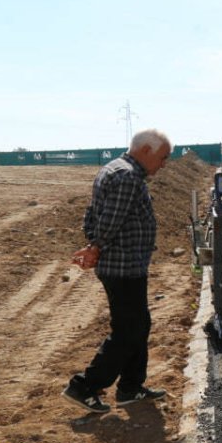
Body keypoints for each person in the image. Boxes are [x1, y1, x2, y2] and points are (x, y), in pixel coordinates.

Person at [63, 129, 173, 414]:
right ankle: (85, 386)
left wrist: (93, 244)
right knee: (128, 330)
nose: (164, 165)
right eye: (163, 158)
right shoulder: (127, 176)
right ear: (146, 151)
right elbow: (111, 219)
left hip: (127, 265)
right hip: (122, 267)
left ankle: (131, 387)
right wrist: (95, 247)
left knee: (139, 325)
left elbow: (92, 213)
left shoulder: (113, 169)